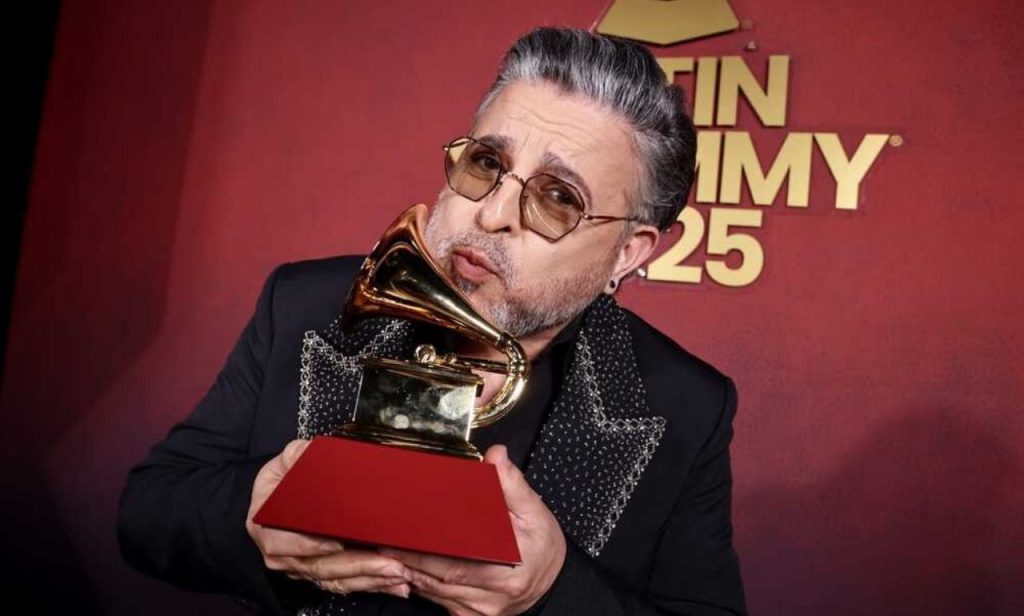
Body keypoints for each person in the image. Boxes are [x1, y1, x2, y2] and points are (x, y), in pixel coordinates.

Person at [118, 27, 747, 616]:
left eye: (559, 198)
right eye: (487, 163)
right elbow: (149, 510)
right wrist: (252, 514)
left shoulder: (687, 407)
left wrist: (552, 588)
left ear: (629, 252)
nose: (491, 214)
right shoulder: (303, 306)